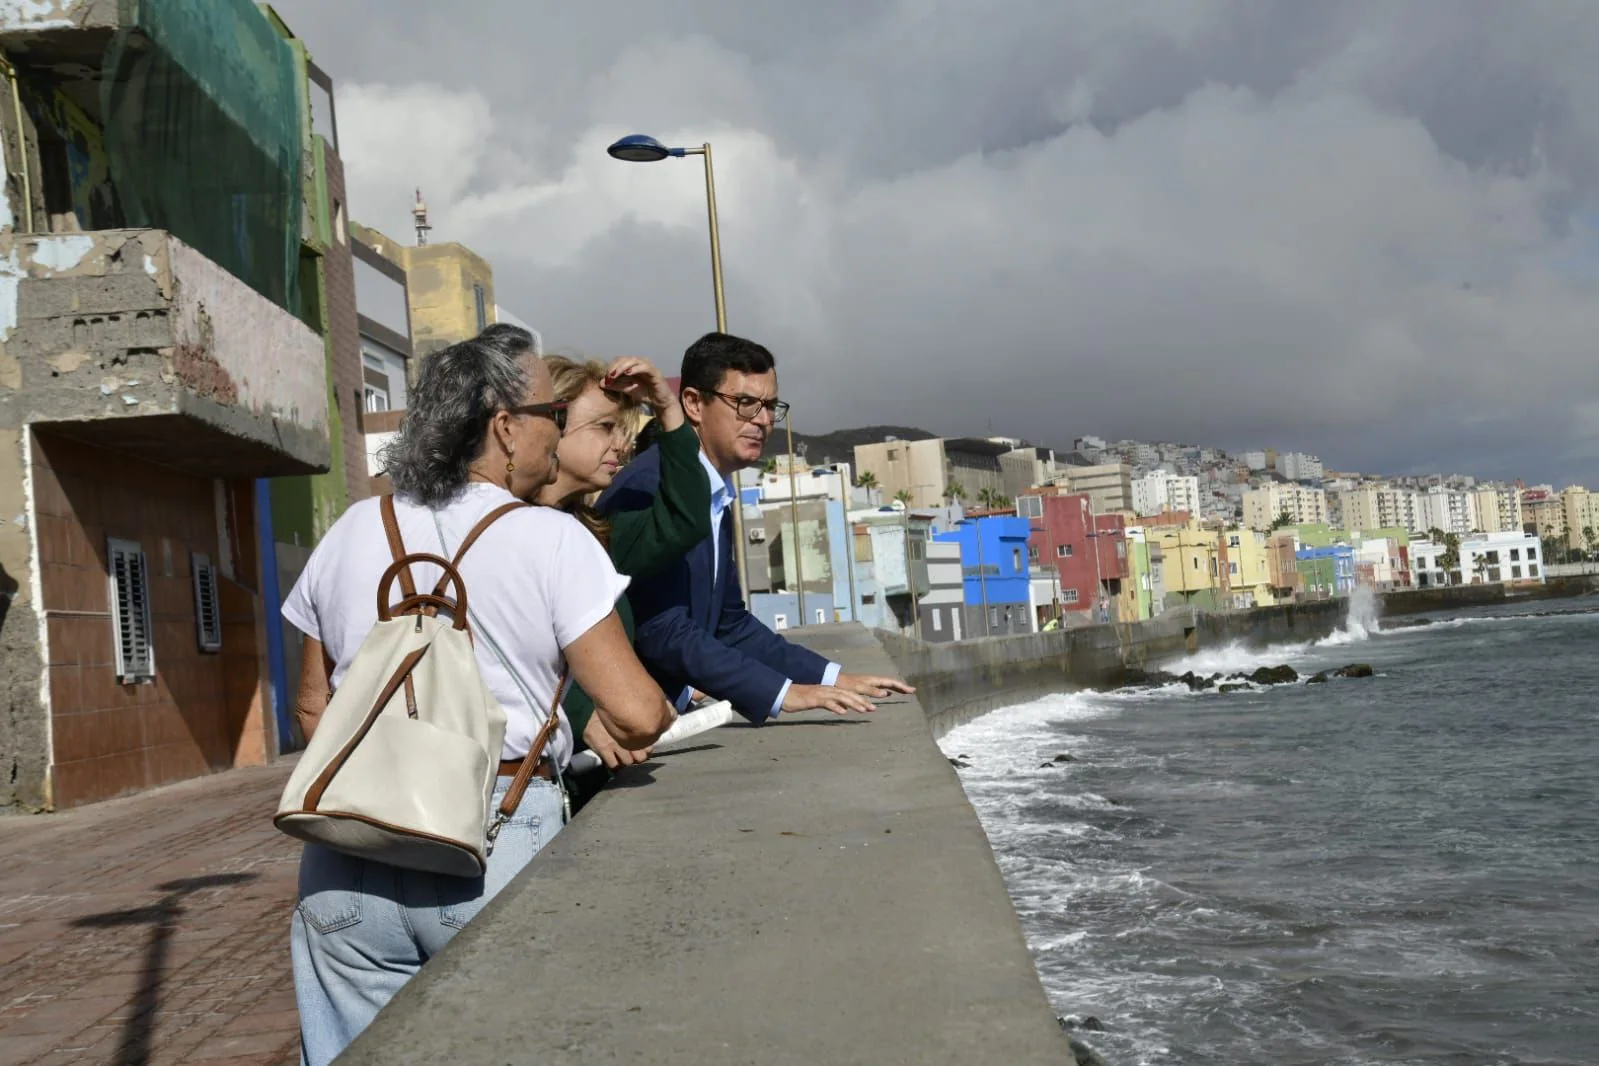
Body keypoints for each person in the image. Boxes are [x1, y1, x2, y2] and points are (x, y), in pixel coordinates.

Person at [282, 326, 673, 1065]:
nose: (557, 437)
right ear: (504, 427)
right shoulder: (551, 540)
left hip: (344, 855)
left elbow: (309, 707)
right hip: (491, 841)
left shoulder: (353, 527)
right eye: (552, 418)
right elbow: (634, 712)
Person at [598, 331, 914, 723]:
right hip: (621, 736)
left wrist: (832, 678)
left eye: (769, 406)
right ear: (694, 404)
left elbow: (729, 624)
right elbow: (662, 630)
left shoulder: (715, 489)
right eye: (745, 404)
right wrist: (782, 694)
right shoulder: (651, 486)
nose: (763, 421)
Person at [533, 351, 710, 773]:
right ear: (549, 427)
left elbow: (685, 520)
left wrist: (665, 406)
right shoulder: (498, 533)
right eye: (604, 427)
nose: (621, 443)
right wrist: (579, 714)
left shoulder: (596, 534)